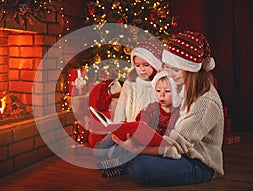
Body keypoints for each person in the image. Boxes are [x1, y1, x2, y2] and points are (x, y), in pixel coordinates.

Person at [111, 30, 224, 186]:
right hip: (173, 148)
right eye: (168, 67)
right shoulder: (180, 84)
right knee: (120, 146)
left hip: (198, 161)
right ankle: (125, 161)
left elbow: (177, 146)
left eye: (175, 69)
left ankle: (126, 163)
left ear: (191, 70)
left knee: (140, 167)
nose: (169, 74)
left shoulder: (205, 103)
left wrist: (138, 149)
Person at [92, 39, 164, 173]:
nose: (141, 69)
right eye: (137, 65)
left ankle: (115, 161)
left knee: (115, 153)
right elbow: (121, 106)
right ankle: (102, 148)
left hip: (143, 132)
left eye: (146, 65)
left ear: (154, 64)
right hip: (127, 127)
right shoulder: (130, 83)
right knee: (99, 150)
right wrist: (118, 126)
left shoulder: (160, 84)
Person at [96, 71, 181, 178]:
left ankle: (118, 167)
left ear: (176, 93)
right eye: (158, 91)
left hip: (159, 145)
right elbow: (143, 116)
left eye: (167, 91)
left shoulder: (177, 112)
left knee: (134, 150)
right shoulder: (153, 107)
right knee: (128, 142)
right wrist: (143, 124)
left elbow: (173, 132)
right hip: (147, 138)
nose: (162, 94)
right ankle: (114, 163)